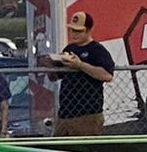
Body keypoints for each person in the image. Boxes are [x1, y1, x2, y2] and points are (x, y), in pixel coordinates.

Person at [42, 9, 115, 137]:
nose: (73, 34)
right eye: (71, 30)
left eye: (78, 31)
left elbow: (107, 75)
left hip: (87, 114)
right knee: (60, 150)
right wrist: (51, 66)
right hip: (65, 113)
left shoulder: (97, 50)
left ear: (88, 30)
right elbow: (55, 77)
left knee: (83, 151)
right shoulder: (70, 49)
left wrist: (80, 65)